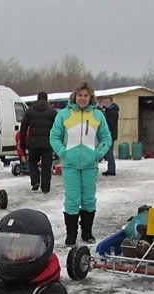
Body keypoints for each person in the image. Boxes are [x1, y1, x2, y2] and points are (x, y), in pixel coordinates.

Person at [49, 81, 112, 246]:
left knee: (89, 199)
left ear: (91, 97)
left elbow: (106, 138)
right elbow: (54, 136)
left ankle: (87, 232)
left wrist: (97, 154)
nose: (83, 98)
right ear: (74, 96)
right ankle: (71, 235)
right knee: (72, 199)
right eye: (80, 95)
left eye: (86, 95)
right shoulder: (63, 114)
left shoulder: (98, 116)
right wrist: (63, 152)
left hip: (90, 165)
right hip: (70, 165)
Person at [19, 91, 57, 192]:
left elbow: (23, 128)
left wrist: (22, 142)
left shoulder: (30, 111)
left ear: (37, 98)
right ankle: (45, 187)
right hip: (48, 143)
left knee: (32, 162)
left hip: (33, 143)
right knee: (46, 165)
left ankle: (35, 181)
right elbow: (58, 128)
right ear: (46, 99)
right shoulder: (52, 112)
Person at [98, 95, 119, 176]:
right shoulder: (108, 110)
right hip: (109, 134)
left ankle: (111, 169)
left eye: (107, 102)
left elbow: (109, 123)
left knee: (109, 152)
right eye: (104, 102)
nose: (105, 104)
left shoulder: (113, 111)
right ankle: (110, 168)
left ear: (111, 102)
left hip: (110, 134)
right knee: (108, 152)